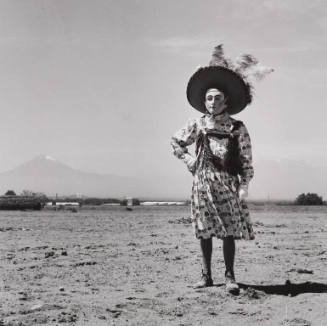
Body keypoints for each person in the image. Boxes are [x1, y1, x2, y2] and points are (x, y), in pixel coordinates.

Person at [171, 45, 272, 294]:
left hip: (227, 184)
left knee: (228, 231)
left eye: (217, 98)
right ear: (203, 102)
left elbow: (247, 158)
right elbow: (175, 142)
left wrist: (244, 185)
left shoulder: (237, 127)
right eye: (208, 98)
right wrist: (189, 161)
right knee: (204, 230)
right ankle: (206, 276)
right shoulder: (197, 124)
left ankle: (230, 277)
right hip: (202, 184)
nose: (212, 102)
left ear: (226, 100)